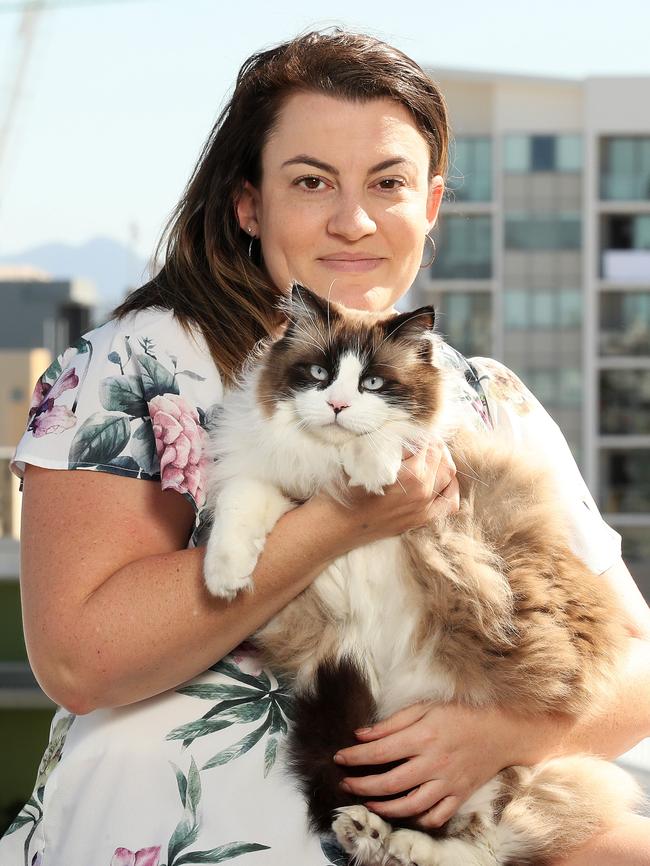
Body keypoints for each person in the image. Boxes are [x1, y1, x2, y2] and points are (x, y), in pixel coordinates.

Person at [2, 29, 650, 866]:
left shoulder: (493, 399)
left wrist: (500, 731)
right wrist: (342, 520)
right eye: (312, 182)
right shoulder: (139, 361)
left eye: (388, 184)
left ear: (433, 205)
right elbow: (80, 660)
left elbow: (638, 669)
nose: (354, 221)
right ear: (249, 203)